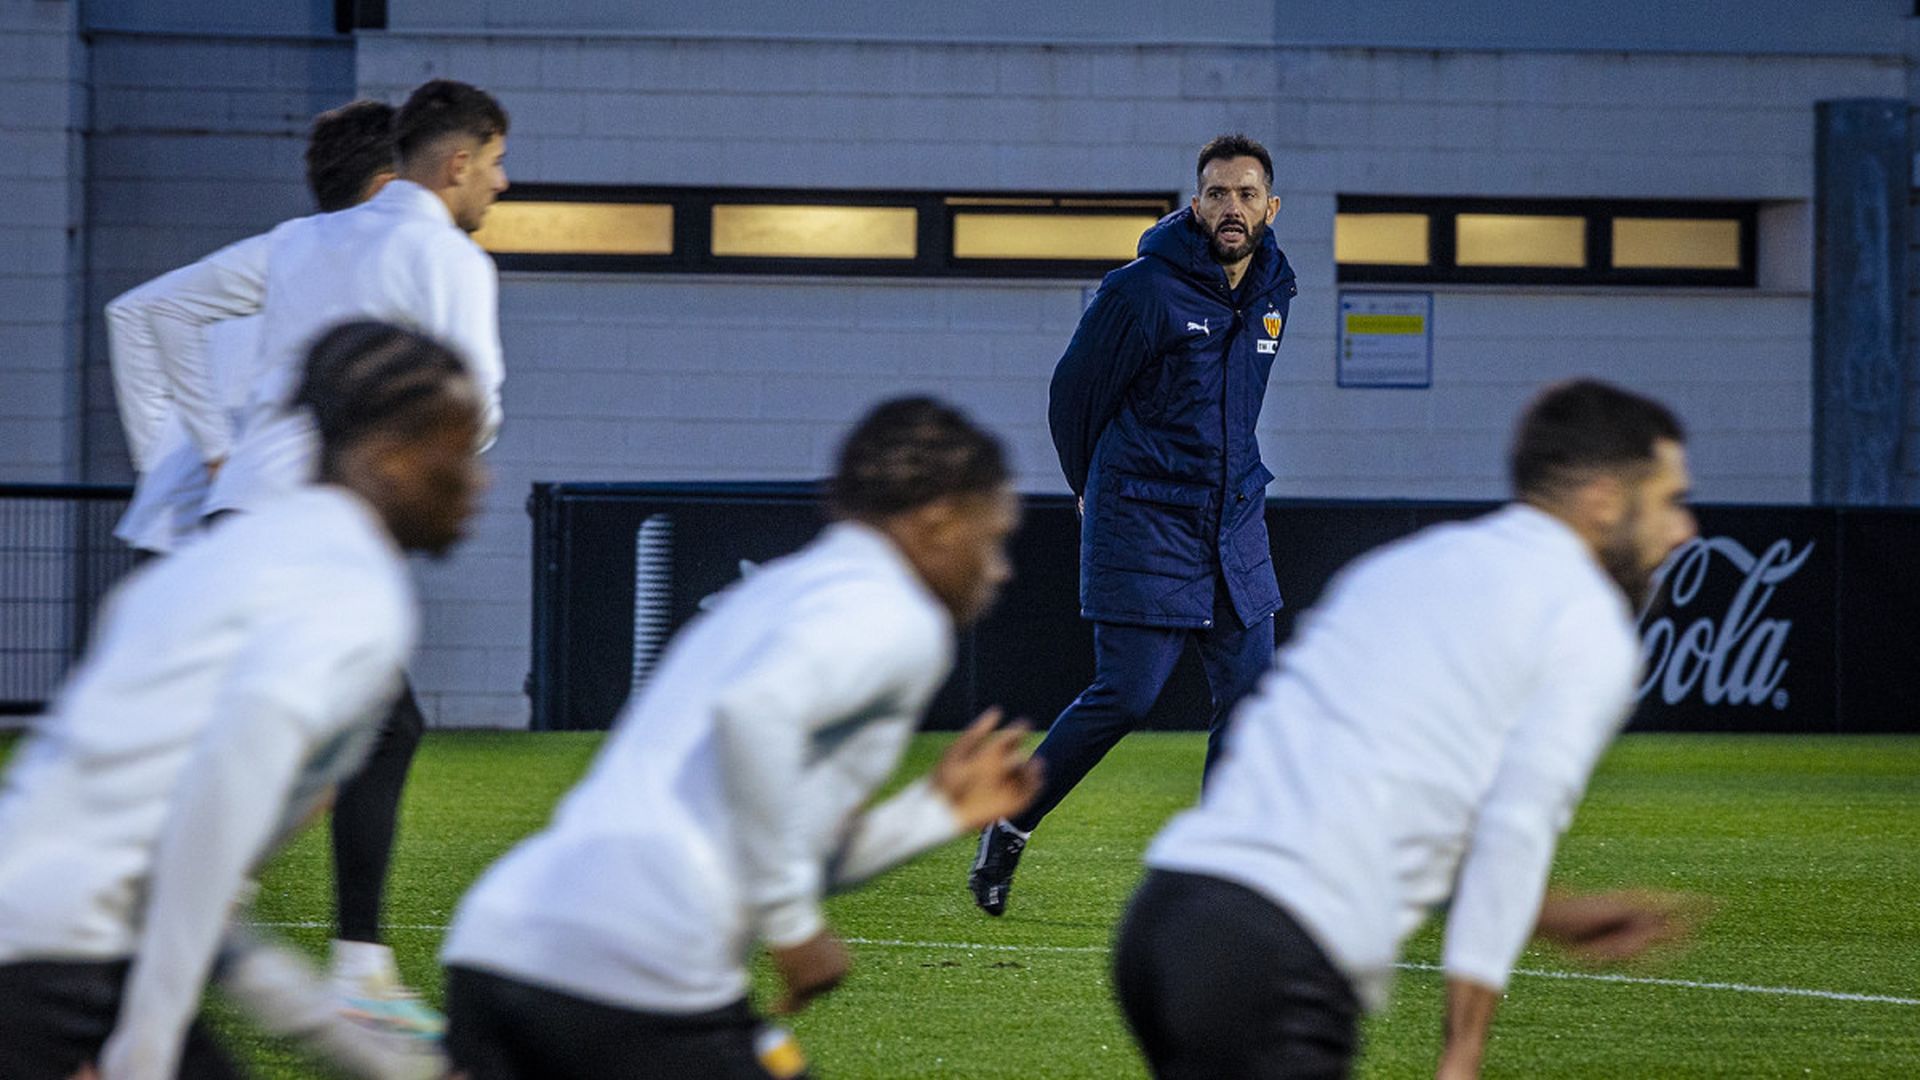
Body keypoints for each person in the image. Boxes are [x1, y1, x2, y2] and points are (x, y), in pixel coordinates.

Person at [1112, 379, 1702, 1079]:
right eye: (1669, 499)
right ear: (1605, 499)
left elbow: (1376, 785)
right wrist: (1462, 1055)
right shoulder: (1587, 623)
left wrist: (1549, 916)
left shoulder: (1408, 564)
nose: (1683, 529)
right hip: (1277, 955)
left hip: (1168, 915)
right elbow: (1515, 829)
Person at [439, 397, 1043, 1080]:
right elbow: (754, 713)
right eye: (992, 539)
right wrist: (793, 927)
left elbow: (769, 841)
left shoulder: (778, 590)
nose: (999, 570)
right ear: (938, 522)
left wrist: (932, 815)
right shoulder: (898, 615)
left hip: (500, 937)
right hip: (636, 960)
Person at [0, 322, 487, 1080]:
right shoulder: (356, 595)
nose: (478, 481)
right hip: (63, 961)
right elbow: (219, 795)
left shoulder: (220, 560)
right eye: (459, 452)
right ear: (389, 460)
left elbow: (200, 902)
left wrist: (399, 1067)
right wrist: (144, 1055)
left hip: (54, 941)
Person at [189, 77, 508, 1027]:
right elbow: (476, 406)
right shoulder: (443, 254)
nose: (501, 185)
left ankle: (225, 907)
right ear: (456, 165)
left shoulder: (299, 240)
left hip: (240, 508)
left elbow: (181, 318)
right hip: (318, 525)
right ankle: (344, 967)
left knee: (339, 731)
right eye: (495, 166)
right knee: (374, 728)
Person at [969, 133, 1298, 916]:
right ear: (1195, 204)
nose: (1231, 208)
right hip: (1146, 519)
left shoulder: (1277, 286)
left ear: (1270, 208)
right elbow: (1072, 395)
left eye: (1246, 194)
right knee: (1127, 696)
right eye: (1217, 193)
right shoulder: (1141, 291)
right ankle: (1011, 823)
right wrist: (1089, 485)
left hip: (1232, 519)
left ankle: (1213, 873)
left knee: (1253, 698)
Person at [105, 99, 397, 557]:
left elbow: (134, 312)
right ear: (385, 187)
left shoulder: (289, 261)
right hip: (237, 530)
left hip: (183, 528)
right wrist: (210, 455)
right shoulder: (309, 258)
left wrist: (164, 460)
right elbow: (141, 311)